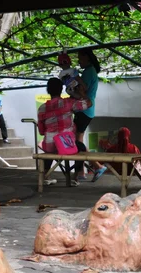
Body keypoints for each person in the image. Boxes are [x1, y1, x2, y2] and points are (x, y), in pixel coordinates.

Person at [37, 78, 92, 186]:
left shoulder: (42, 108)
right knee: (81, 147)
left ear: (48, 90)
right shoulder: (68, 103)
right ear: (61, 89)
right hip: (67, 145)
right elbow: (89, 103)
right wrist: (81, 93)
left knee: (48, 149)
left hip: (50, 146)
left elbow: (42, 131)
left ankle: (44, 177)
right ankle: (75, 177)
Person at [74, 48, 106, 181]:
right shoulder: (91, 71)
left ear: (87, 57)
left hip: (84, 109)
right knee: (78, 141)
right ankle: (87, 169)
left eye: (80, 58)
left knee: (77, 142)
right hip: (87, 110)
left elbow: (83, 91)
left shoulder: (88, 72)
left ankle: (89, 169)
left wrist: (74, 80)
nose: (79, 61)